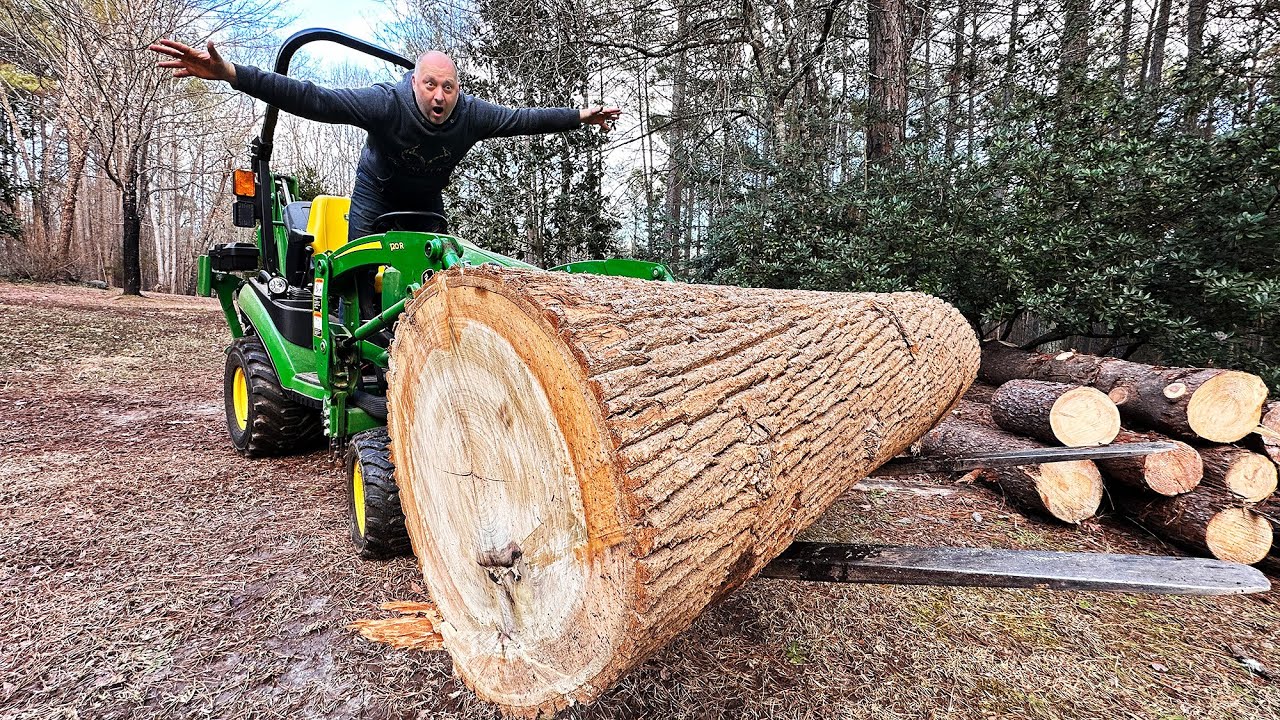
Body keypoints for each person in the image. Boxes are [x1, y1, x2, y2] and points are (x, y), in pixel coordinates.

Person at [148, 39, 620, 243]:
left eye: (448, 87)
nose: (439, 95)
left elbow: (524, 118)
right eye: (429, 85)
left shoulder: (473, 115)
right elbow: (314, 98)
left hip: (425, 201)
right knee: (363, 282)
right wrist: (230, 73)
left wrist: (582, 115)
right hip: (375, 197)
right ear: (414, 82)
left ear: (459, 90)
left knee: (432, 280)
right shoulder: (384, 104)